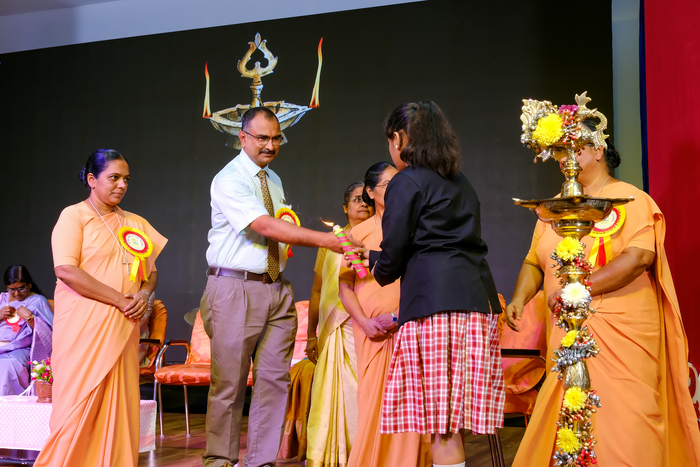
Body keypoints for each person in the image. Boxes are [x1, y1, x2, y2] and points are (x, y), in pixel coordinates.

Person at [506, 129, 700, 466]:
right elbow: (534, 261)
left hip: (622, 333)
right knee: (570, 422)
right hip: (566, 332)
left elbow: (639, 258)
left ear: (599, 151)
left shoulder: (632, 199)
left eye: (576, 149)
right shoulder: (554, 208)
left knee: (627, 424)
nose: (567, 157)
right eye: (561, 151)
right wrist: (519, 299)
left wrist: (578, 291)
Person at [200, 106, 346, 467]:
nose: (270, 145)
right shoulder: (230, 178)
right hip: (235, 288)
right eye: (262, 138)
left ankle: (261, 462)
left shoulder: (273, 179)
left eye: (276, 138)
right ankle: (220, 461)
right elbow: (265, 226)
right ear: (242, 137)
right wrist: (326, 241)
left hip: (276, 288)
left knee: (274, 383)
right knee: (229, 384)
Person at [363, 101, 504, 467]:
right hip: (476, 303)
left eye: (390, 140)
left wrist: (373, 263)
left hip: (434, 306)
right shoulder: (461, 182)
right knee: (452, 423)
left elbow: (394, 251)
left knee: (441, 425)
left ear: (399, 138)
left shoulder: (406, 181)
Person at [34, 149, 167, 467]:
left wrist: (143, 295)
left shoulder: (134, 222)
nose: (122, 185)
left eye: (126, 179)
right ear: (92, 179)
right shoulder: (74, 216)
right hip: (83, 326)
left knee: (118, 405)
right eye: (114, 177)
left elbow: (151, 273)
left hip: (123, 328)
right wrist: (121, 300)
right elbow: (66, 270)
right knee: (76, 406)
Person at [339, 162, 432, 467]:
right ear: (370, 192)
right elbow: (345, 288)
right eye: (389, 184)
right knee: (373, 404)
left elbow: (427, 280)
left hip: (409, 324)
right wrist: (364, 322)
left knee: (412, 403)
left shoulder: (417, 228)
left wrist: (397, 316)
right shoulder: (358, 234)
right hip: (371, 333)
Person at [305, 181, 374, 467]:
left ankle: (366, 453)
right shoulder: (331, 242)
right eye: (356, 199)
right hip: (335, 328)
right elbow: (318, 290)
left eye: (367, 198)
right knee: (332, 391)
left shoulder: (381, 237)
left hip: (370, 327)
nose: (363, 203)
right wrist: (311, 334)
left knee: (365, 390)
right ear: (345, 207)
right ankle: (330, 453)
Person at [0, 265, 54, 395]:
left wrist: (30, 319)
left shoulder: (38, 301)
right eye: (12, 289)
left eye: (21, 288)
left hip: (19, 349)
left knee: (6, 365)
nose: (17, 293)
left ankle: (5, 406)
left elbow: (50, 333)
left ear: (29, 284)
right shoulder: (2, 298)